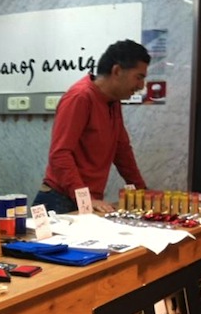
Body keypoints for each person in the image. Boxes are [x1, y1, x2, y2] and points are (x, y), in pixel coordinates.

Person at [33, 39, 149, 214]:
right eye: (139, 77)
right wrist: (85, 198)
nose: (141, 86)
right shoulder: (80, 97)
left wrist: (142, 192)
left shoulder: (113, 101)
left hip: (88, 199)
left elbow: (122, 151)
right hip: (61, 199)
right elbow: (60, 154)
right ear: (117, 71)